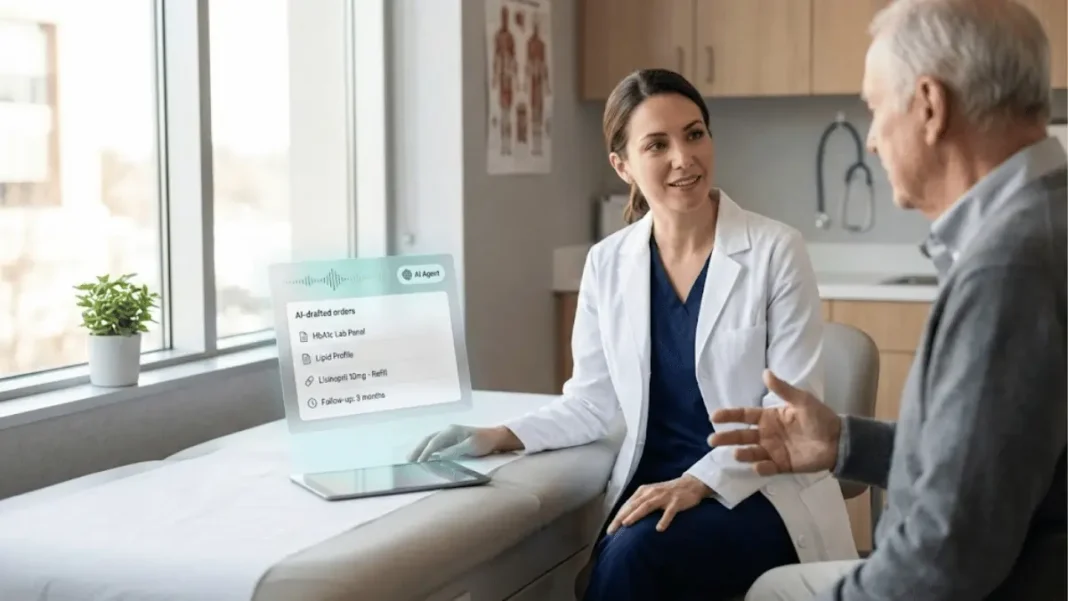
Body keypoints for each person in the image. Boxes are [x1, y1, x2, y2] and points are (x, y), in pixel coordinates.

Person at [408, 69, 858, 601]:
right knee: (632, 549)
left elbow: (785, 419)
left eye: (694, 134)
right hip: (654, 483)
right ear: (622, 165)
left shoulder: (775, 250)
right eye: (657, 145)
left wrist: (699, 483)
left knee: (635, 556)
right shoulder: (607, 263)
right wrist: (499, 434)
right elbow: (593, 402)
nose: (683, 158)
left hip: (755, 489)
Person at [707, 1, 1067, 600]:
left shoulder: (1009, 268)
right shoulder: (1044, 221)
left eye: (876, 109)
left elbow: (945, 559)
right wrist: (845, 445)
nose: (871, 142)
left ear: (929, 105)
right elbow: (996, 461)